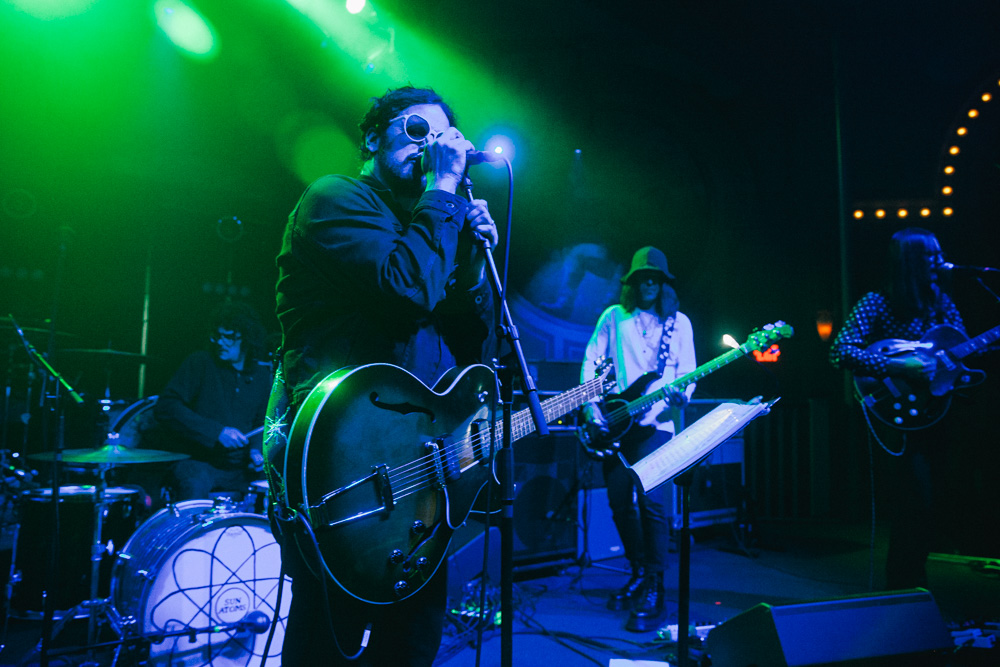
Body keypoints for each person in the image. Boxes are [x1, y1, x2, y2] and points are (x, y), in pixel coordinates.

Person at [265, 86, 498, 666]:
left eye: (442, 138)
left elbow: (468, 341)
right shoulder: (335, 198)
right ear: (373, 138)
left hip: (416, 467)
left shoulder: (431, 225)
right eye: (417, 130)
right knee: (328, 644)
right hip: (342, 461)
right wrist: (444, 187)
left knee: (412, 646)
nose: (430, 146)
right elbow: (405, 290)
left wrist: (472, 261)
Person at [830, 227, 963, 590]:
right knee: (914, 503)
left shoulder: (941, 302)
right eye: (931, 255)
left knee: (932, 504)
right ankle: (904, 588)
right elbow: (840, 351)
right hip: (896, 417)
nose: (940, 260)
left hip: (935, 413)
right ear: (910, 261)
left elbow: (961, 348)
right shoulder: (877, 302)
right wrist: (899, 366)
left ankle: (915, 586)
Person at [580, 246, 696, 632]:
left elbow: (688, 371)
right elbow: (590, 361)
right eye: (642, 278)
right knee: (618, 501)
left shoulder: (679, 324)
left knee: (652, 503)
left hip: (657, 424)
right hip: (617, 423)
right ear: (632, 282)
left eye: (655, 278)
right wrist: (590, 407)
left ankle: (656, 586)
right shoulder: (614, 317)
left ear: (663, 284)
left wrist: (682, 396)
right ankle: (639, 570)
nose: (649, 283)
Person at [152, 300, 271, 502]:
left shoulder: (261, 376)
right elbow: (167, 407)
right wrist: (217, 432)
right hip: (199, 462)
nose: (220, 342)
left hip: (241, 468)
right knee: (194, 480)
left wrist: (255, 451)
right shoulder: (200, 363)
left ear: (247, 338)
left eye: (229, 337)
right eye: (217, 336)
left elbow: (261, 423)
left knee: (275, 485)